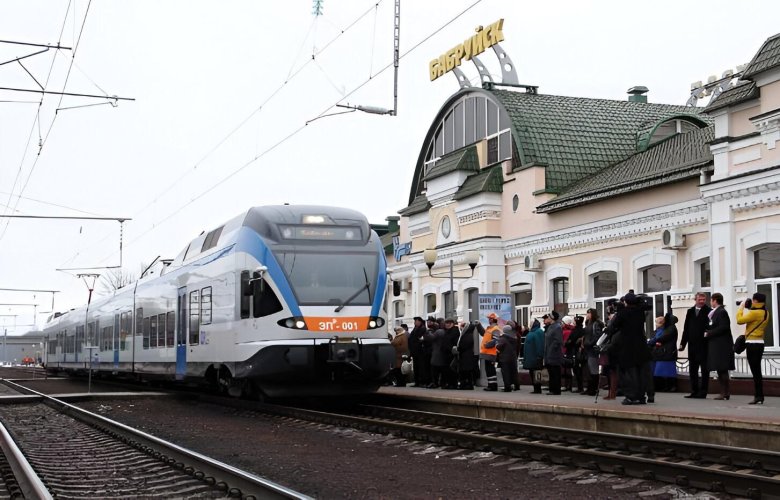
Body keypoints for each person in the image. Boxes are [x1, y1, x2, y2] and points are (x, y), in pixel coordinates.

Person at [606, 292, 652, 405]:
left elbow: (613, 326)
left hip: (627, 347)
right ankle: (641, 397)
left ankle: (631, 396)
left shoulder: (622, 313)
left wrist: (618, 311)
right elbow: (644, 306)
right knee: (641, 373)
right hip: (641, 346)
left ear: (625, 302)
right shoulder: (640, 312)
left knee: (629, 374)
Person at [737, 292, 769, 405]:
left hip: (752, 343)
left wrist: (741, 307)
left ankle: (759, 396)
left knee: (755, 371)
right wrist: (748, 306)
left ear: (755, 301)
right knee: (757, 371)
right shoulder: (766, 312)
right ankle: (759, 395)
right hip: (760, 343)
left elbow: (739, 320)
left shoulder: (754, 313)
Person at [680, 292, 712, 398]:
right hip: (692, 345)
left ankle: (703, 392)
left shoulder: (709, 311)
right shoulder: (690, 312)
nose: (702, 301)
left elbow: (711, 327)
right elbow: (686, 328)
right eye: (700, 299)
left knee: (704, 370)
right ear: (695, 299)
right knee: (693, 369)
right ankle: (694, 391)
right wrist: (682, 343)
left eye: (704, 299)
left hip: (704, 345)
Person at [704, 293, 734, 400]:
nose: (710, 302)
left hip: (722, 346)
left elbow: (724, 327)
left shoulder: (721, 312)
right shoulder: (716, 312)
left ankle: (725, 392)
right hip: (718, 345)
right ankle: (724, 392)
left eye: (711, 300)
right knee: (720, 370)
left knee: (722, 369)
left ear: (715, 300)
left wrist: (709, 333)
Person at [649, 313, 678, 392]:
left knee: (667, 371)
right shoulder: (670, 328)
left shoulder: (670, 328)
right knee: (666, 371)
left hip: (667, 352)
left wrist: (653, 342)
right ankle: (668, 386)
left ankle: (670, 386)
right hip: (666, 352)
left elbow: (661, 338)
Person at [455, 319, 483, 390]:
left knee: (465, 371)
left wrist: (458, 349)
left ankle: (466, 385)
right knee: (467, 371)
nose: (461, 327)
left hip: (466, 356)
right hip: (467, 355)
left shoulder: (467, 335)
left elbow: (464, 345)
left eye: (463, 326)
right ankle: (466, 384)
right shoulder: (468, 334)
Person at [582, 308, 603, 396]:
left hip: (592, 349)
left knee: (593, 369)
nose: (587, 315)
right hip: (587, 349)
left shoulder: (596, 324)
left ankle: (594, 389)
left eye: (589, 313)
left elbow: (597, 336)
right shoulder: (588, 323)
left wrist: (590, 343)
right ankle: (589, 388)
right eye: (587, 313)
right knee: (588, 369)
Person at [543, 312, 564, 395]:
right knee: (551, 372)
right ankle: (552, 389)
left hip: (554, 354)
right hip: (549, 353)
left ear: (552, 318)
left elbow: (558, 341)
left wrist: (552, 349)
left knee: (555, 372)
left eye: (548, 317)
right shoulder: (550, 327)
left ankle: (556, 390)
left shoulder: (557, 327)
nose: (547, 318)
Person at [523, 319, 545, 394]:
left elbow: (540, 345)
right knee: (532, 373)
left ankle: (537, 389)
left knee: (536, 373)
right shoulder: (533, 331)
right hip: (531, 356)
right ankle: (536, 388)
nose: (529, 325)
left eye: (531, 323)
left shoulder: (538, 332)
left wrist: (539, 356)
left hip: (535, 357)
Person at [480, 313, 500, 391]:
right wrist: (478, 325)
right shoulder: (490, 328)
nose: (489, 320)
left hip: (491, 353)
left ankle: (493, 386)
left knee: (490, 370)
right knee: (489, 370)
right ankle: (491, 385)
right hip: (487, 353)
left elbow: (495, 340)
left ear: (493, 319)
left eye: (490, 319)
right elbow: (483, 333)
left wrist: (487, 345)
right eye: (489, 319)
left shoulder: (495, 329)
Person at [407, 317, 429, 387]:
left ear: (420, 322)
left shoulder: (422, 329)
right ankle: (417, 382)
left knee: (421, 367)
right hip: (414, 351)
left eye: (416, 321)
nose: (415, 322)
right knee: (416, 367)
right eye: (415, 321)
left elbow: (418, 339)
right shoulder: (415, 328)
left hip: (420, 351)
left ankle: (422, 382)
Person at [496, 324, 518, 392]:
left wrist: (496, 344)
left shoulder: (503, 338)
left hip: (504, 358)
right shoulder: (514, 338)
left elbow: (499, 346)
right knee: (513, 372)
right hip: (512, 357)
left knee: (506, 373)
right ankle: (516, 385)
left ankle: (507, 387)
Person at [561, 316, 576, 392]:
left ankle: (567, 385)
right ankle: (568, 385)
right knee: (566, 369)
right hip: (567, 351)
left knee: (566, 369)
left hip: (566, 352)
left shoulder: (567, 332)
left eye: (562, 322)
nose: (561, 323)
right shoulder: (569, 330)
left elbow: (564, 342)